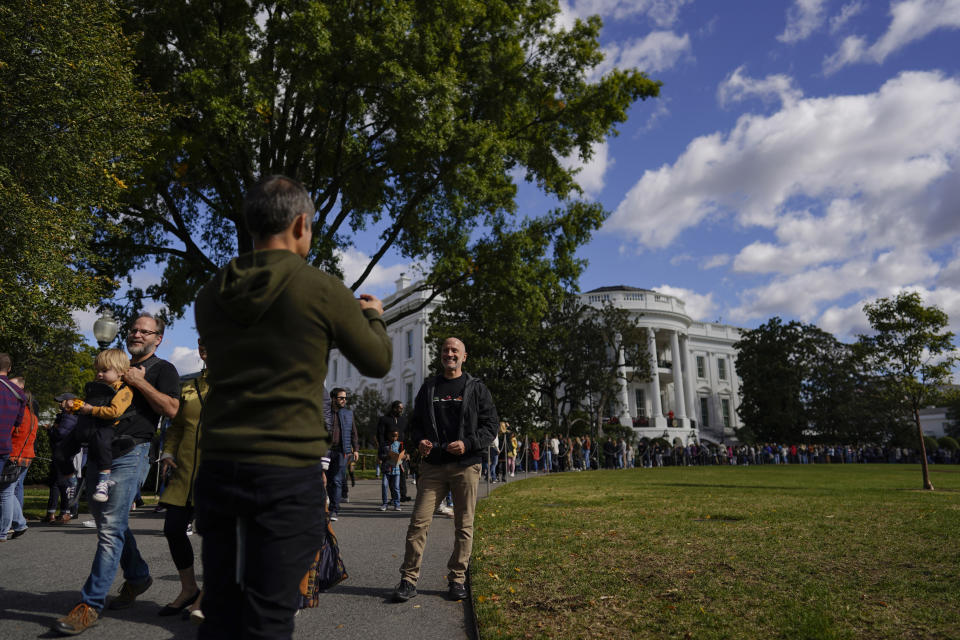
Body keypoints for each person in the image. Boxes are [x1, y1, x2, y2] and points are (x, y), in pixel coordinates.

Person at [193, 174, 392, 639]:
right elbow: (379, 361)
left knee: (221, 608)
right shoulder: (319, 289)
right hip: (286, 469)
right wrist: (374, 316)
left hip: (220, 463)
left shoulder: (211, 294)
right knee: (270, 614)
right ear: (301, 224)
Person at [53, 313, 181, 635]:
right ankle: (138, 576)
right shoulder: (116, 363)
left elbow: (172, 409)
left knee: (110, 529)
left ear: (158, 338)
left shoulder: (163, 369)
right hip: (99, 452)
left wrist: (140, 382)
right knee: (109, 522)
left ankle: (89, 605)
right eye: (134, 329)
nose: (137, 334)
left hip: (131, 453)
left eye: (145, 331)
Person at [392, 337, 498, 603]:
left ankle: (457, 579)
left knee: (464, 526)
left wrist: (468, 443)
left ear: (464, 356)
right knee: (418, 523)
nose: (449, 354)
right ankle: (408, 579)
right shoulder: (429, 387)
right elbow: (414, 425)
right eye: (445, 350)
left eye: (455, 350)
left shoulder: (476, 388)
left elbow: (490, 425)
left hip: (466, 466)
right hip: (433, 467)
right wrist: (419, 441)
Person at [157, 338, 209, 619]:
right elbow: (176, 426)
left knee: (217, 538)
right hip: (185, 473)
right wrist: (167, 451)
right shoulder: (188, 385)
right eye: (202, 344)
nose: (205, 349)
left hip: (218, 475)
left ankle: (210, 597)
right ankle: (189, 589)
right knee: (173, 529)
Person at [55, 349, 135, 504]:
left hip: (105, 426)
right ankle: (71, 481)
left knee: (102, 444)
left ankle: (103, 481)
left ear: (120, 372)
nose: (99, 374)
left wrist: (91, 410)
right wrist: (74, 404)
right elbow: (84, 404)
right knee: (60, 452)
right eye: (98, 370)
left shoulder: (124, 390)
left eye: (104, 371)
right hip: (85, 426)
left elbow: (115, 411)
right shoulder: (95, 387)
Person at [0, 368, 33, 542]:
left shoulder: (20, 414)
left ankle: (4, 530)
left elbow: (10, 431)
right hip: (27, 456)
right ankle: (19, 523)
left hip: (14, 455)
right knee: (10, 491)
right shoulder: (33, 416)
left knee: (6, 492)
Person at [327, 387, 359, 520]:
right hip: (325, 450)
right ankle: (326, 506)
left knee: (337, 480)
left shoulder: (348, 413)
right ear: (333, 399)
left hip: (342, 451)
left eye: (345, 398)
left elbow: (353, 432)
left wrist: (356, 449)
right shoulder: (325, 412)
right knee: (327, 480)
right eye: (341, 398)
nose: (344, 400)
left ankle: (334, 509)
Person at [378, 401, 410, 501]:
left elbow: (407, 435)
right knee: (391, 474)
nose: (401, 410)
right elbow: (380, 435)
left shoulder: (404, 420)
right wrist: (384, 448)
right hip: (389, 449)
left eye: (402, 408)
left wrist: (407, 451)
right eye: (399, 408)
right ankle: (394, 497)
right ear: (394, 408)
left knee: (401, 472)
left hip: (401, 448)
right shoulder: (384, 419)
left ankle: (402, 495)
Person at [380, 430, 405, 511]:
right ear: (389, 435)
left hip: (396, 469)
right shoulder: (384, 444)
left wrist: (402, 457)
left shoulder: (400, 444)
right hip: (386, 469)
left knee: (396, 487)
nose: (394, 438)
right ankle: (384, 504)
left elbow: (404, 454)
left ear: (397, 437)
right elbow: (380, 455)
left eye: (395, 436)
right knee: (384, 485)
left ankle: (397, 504)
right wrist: (387, 456)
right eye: (392, 436)